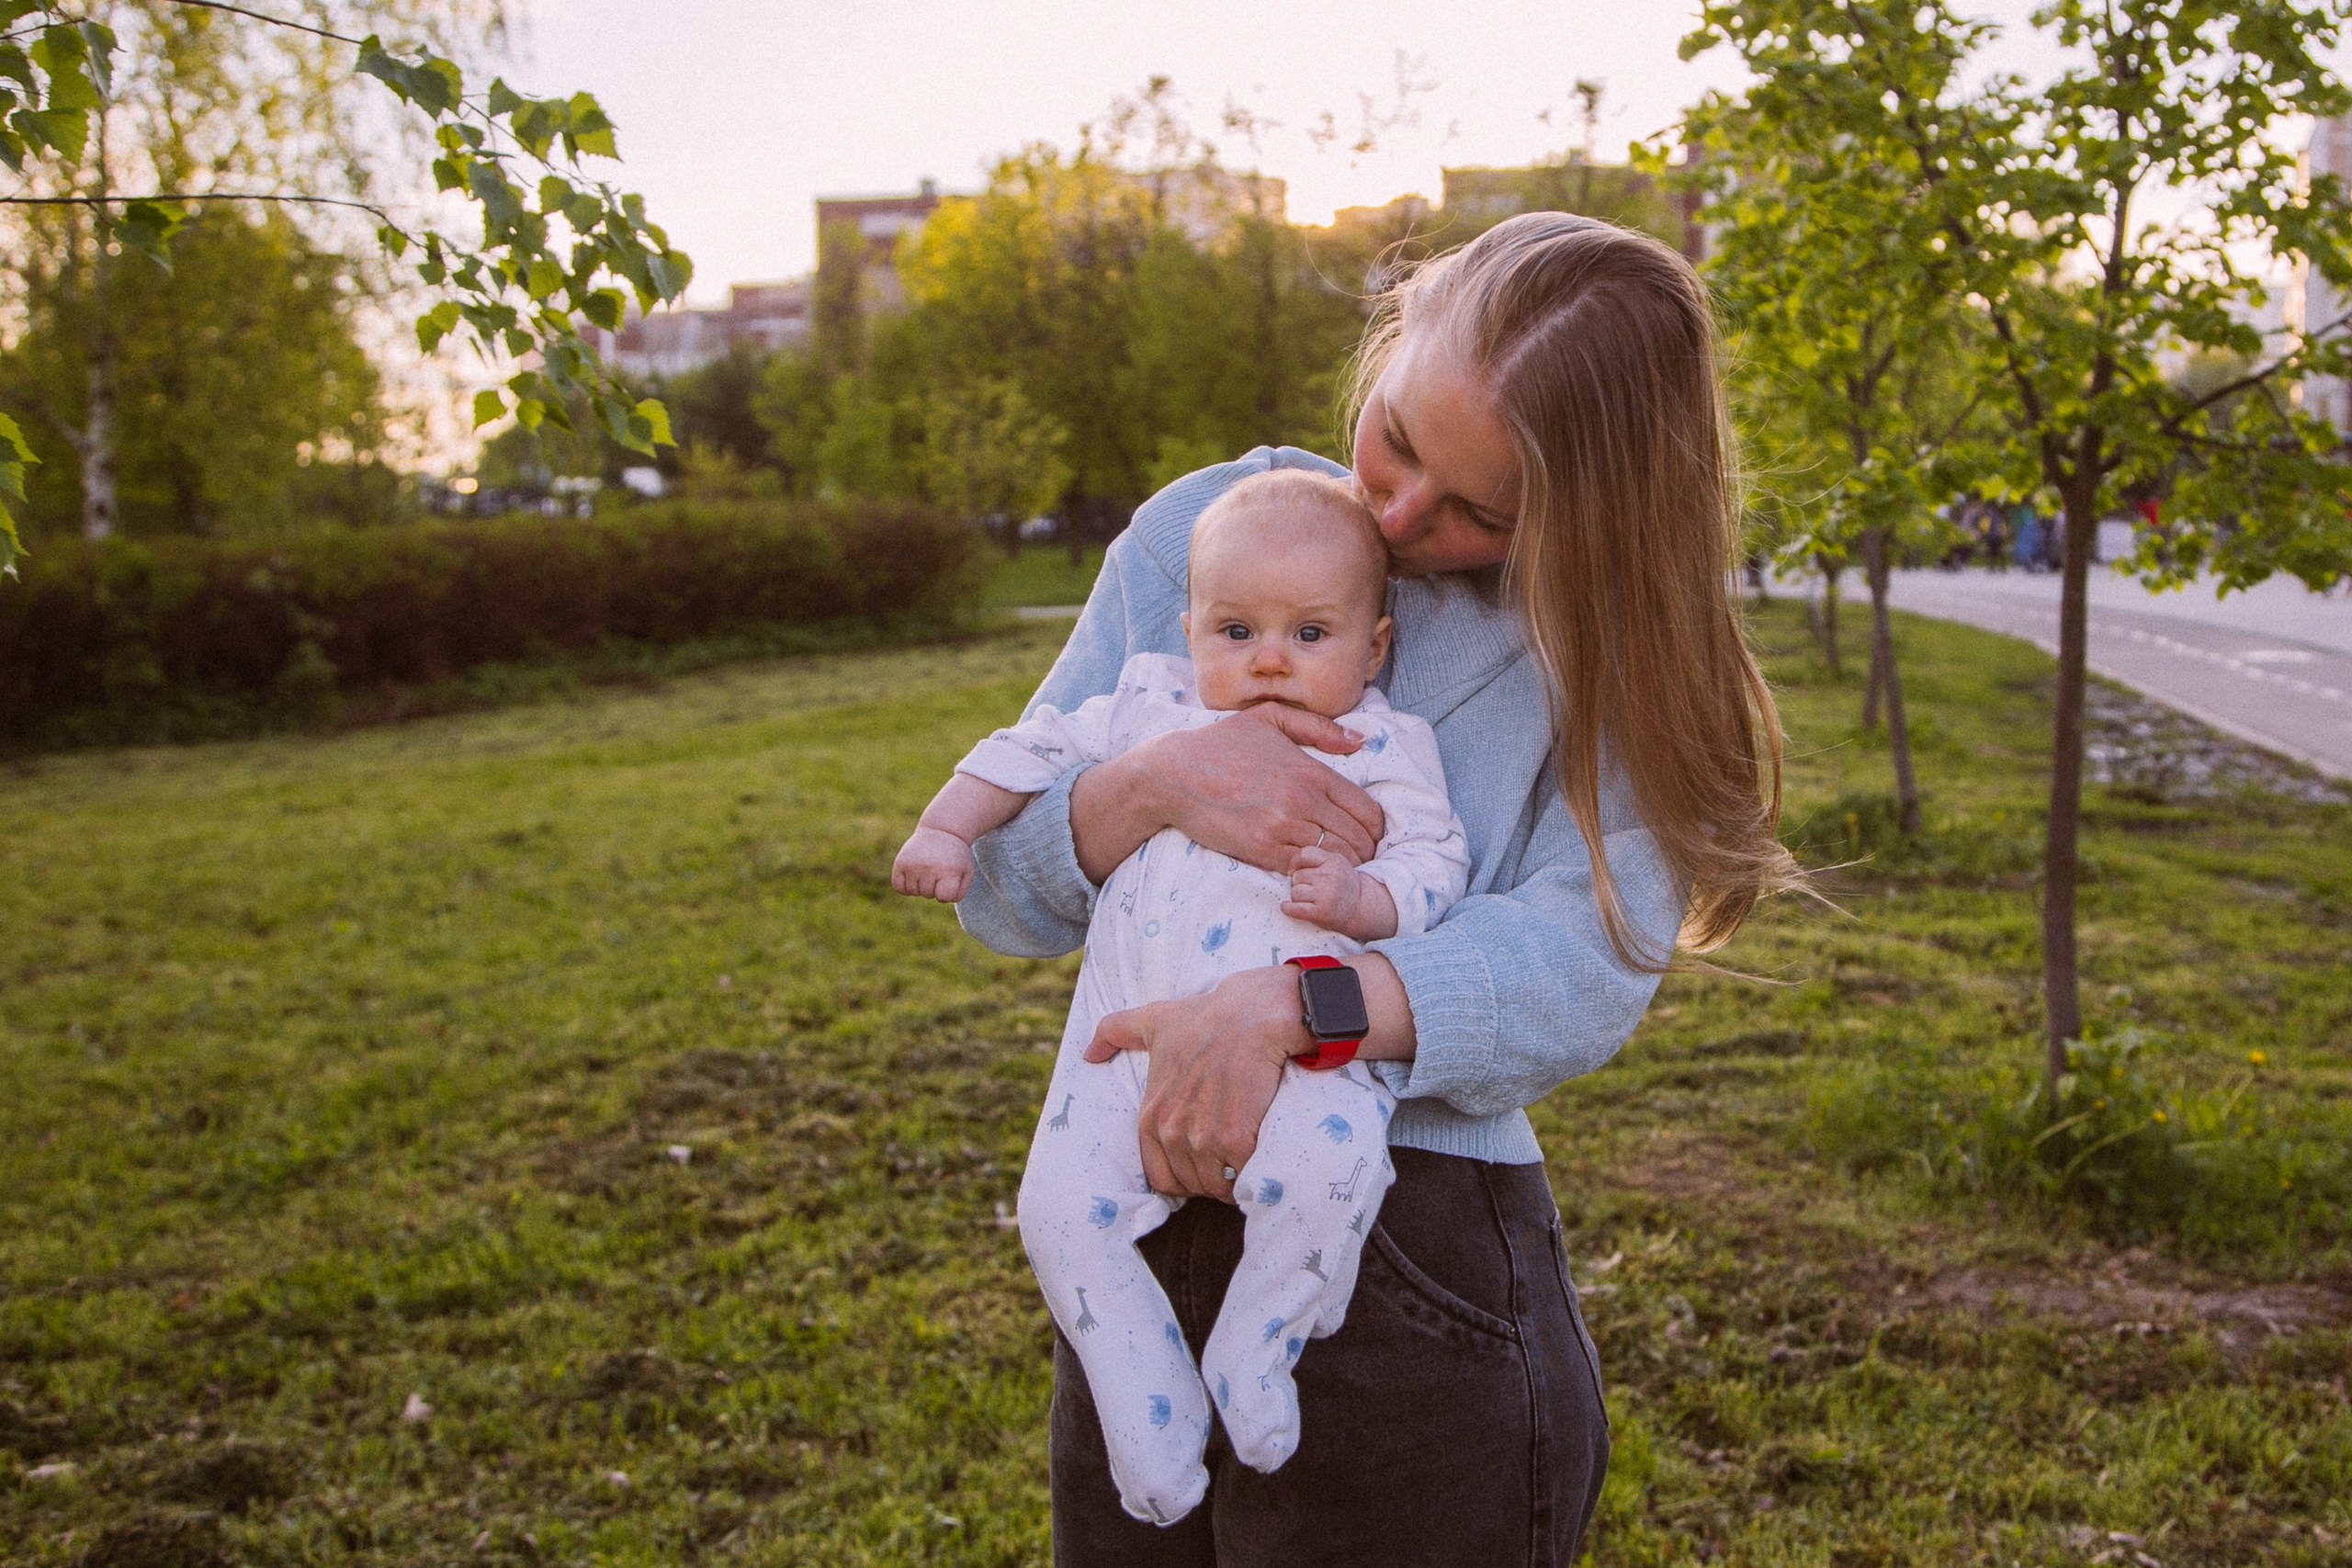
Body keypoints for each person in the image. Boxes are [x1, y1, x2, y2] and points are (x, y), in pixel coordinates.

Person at [958, 212, 1802, 1567]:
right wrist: (1159, 782)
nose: (1405, 517)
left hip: (1411, 1254)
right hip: (1132, 1233)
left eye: (1485, 511)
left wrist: (1305, 1009)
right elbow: (997, 884)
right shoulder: (1203, 534)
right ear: (1393, 338)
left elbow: (1588, 959)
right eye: (1400, 442)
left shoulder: (1604, 632)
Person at [893, 470, 1471, 1525]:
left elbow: (1439, 867)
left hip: (1304, 1055)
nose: (1266, 660)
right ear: (1188, 627)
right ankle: (1146, 1404)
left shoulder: (1385, 747)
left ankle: (1260, 1344)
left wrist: (1367, 898)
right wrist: (944, 826)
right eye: (1236, 628)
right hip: (1120, 1052)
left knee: (1330, 1171)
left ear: (1374, 649)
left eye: (1309, 634)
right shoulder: (1146, 705)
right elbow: (1024, 754)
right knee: (1056, 1210)